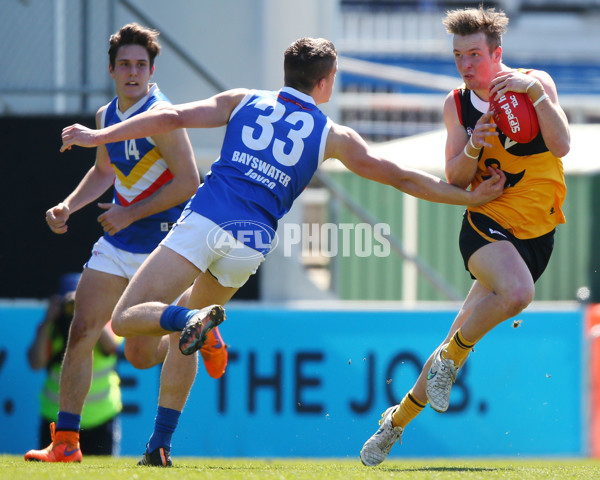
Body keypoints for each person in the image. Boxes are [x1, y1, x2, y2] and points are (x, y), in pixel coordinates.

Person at [59, 36, 506, 465]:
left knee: (124, 319)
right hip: (250, 244)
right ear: (326, 81)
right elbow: (403, 177)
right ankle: (160, 444)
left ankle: (189, 321)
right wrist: (469, 197)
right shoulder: (333, 135)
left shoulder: (244, 99)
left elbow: (172, 117)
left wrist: (100, 137)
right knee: (184, 337)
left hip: (207, 220)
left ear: (286, 73)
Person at [360, 6, 569, 466]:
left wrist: (536, 94)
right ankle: (450, 362)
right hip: (485, 223)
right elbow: (455, 178)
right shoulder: (456, 103)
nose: (466, 65)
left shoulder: (536, 83)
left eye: (475, 54)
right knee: (517, 293)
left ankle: (394, 424)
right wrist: (476, 142)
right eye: (458, 55)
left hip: (537, 232)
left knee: (459, 329)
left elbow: (562, 146)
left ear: (497, 53)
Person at [24, 23, 228, 465]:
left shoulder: (163, 116)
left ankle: (193, 325)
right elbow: (104, 172)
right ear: (112, 71)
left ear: (151, 71)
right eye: (125, 65)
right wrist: (68, 206)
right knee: (81, 330)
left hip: (162, 246)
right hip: (118, 242)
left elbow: (189, 182)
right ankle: (67, 442)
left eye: (141, 65)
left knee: (137, 355)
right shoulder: (105, 117)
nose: (132, 72)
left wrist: (129, 212)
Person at [28, 273, 122, 455]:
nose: (74, 307)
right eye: (71, 301)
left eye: (80, 300)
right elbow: (36, 362)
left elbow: (111, 347)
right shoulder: (52, 328)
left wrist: (90, 315)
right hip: (56, 419)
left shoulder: (105, 320)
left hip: (100, 417)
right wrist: (49, 321)